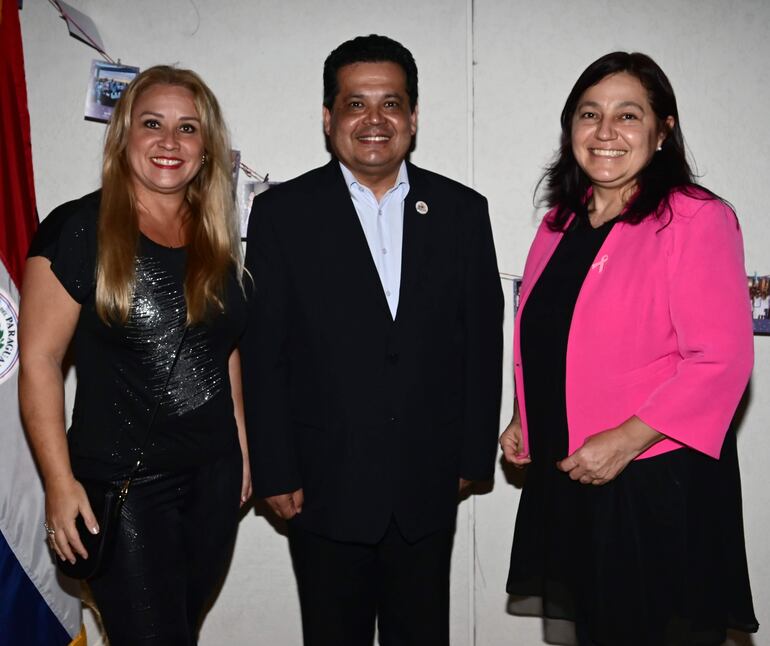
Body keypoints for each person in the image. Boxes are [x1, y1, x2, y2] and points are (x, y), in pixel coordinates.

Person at [241, 34, 503, 646]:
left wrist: (468, 460)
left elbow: (481, 343)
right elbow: (264, 351)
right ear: (329, 118)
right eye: (356, 104)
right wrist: (275, 468)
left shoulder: (462, 212)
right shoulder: (282, 214)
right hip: (320, 488)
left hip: (427, 484)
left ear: (413, 116)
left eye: (391, 103)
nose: (375, 120)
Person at [499, 51, 758, 646]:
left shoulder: (695, 218)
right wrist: (525, 416)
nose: (606, 132)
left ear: (663, 130)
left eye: (629, 115)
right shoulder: (558, 225)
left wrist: (626, 438)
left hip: (653, 483)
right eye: (590, 114)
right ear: (571, 129)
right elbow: (551, 337)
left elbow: (721, 359)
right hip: (571, 474)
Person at [19, 65, 251, 645]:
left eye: (188, 128)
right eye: (153, 124)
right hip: (124, 490)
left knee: (177, 633)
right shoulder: (77, 229)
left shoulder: (217, 238)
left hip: (213, 481)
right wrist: (57, 480)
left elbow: (222, 352)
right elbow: (40, 361)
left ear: (206, 150)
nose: (169, 142)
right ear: (124, 135)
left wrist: (243, 448)